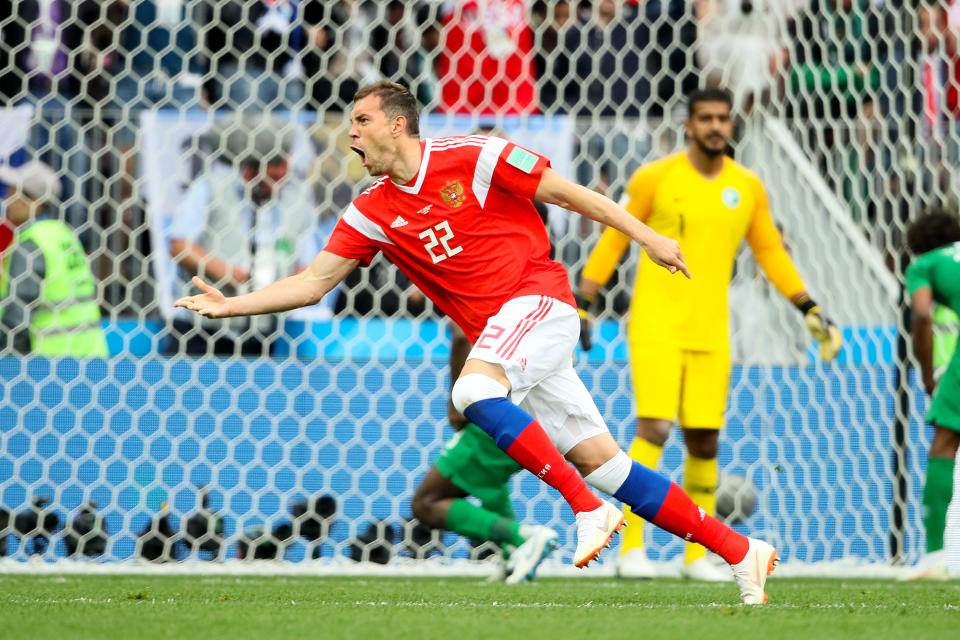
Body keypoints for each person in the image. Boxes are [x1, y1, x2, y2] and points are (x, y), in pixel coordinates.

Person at [175, 80, 778, 604]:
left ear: (397, 123)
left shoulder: (473, 155)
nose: (350, 134)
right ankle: (739, 548)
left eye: (360, 121)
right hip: (511, 337)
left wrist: (647, 237)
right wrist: (233, 304)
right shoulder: (371, 210)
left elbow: (568, 193)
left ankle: (588, 512)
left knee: (472, 390)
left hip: (539, 299)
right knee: (608, 465)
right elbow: (311, 283)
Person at [577, 87, 841, 581]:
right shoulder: (657, 178)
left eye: (723, 118)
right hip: (655, 324)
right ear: (688, 125)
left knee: (704, 441)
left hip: (711, 331)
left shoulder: (747, 187)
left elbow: (769, 251)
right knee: (653, 428)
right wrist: (584, 300)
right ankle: (630, 550)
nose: (716, 126)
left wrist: (808, 305)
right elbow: (616, 235)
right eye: (706, 118)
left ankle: (695, 558)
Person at [412, 322, 559, 584]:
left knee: (426, 502)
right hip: (534, 415)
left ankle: (524, 537)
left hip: (494, 409)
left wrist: (457, 406)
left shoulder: (472, 287)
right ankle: (513, 556)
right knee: (491, 483)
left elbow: (460, 336)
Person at [166, 114, 322, 356]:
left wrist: (280, 289)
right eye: (274, 164)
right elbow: (180, 245)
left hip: (263, 331)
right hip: (202, 329)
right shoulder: (211, 187)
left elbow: (307, 264)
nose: (282, 172)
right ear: (249, 170)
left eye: (284, 162)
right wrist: (228, 274)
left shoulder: (297, 201)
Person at [903, 209, 960, 580]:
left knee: (944, 444)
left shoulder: (925, 264)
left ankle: (933, 558)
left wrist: (926, 374)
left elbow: (922, 315)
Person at [0, 160, 108, 357]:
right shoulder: (64, 235)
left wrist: (9, 364)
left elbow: (16, 319)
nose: (6, 201)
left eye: (12, 193)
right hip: (91, 356)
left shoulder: (31, 244)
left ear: (34, 201)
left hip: (50, 364)